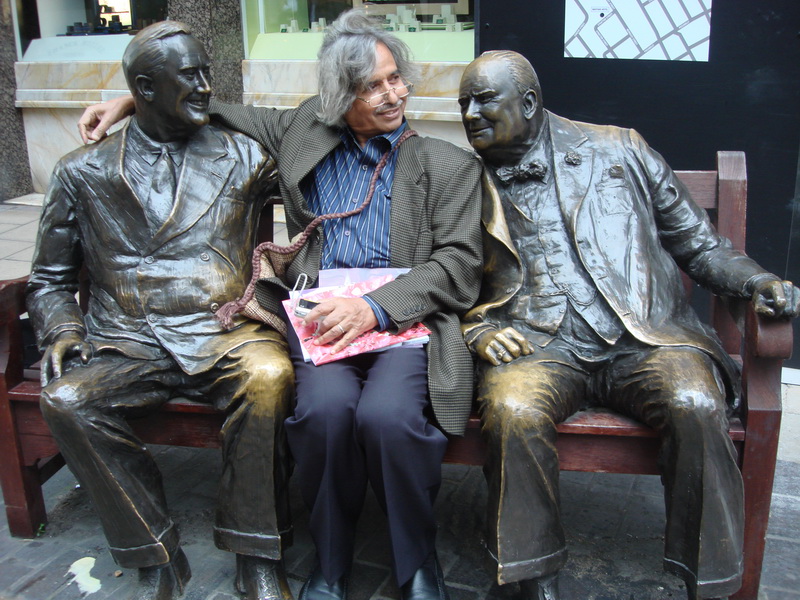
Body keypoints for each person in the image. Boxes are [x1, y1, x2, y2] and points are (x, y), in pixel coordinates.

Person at [78, 10, 483, 600]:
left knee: (388, 419)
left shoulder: (445, 164)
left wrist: (373, 308)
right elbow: (223, 111)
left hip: (403, 322)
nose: (393, 95)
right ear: (338, 95)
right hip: (320, 321)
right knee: (323, 415)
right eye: (371, 86)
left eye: (395, 78)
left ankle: (417, 563)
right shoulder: (302, 132)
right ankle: (332, 562)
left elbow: (459, 266)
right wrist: (129, 102)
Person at [457, 50, 800, 600]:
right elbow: (437, 274)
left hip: (645, 339)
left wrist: (756, 282)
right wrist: (476, 331)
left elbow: (699, 245)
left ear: (529, 102)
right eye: (463, 104)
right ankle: (529, 579)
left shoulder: (621, 148)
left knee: (695, 401)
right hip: (537, 343)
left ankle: (709, 580)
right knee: (513, 408)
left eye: (483, 101)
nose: (470, 114)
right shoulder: (457, 178)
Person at [28, 22, 296, 600]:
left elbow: (314, 131)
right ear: (146, 88)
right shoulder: (82, 170)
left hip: (225, 330)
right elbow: (49, 278)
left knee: (270, 376)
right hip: (128, 339)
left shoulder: (246, 156)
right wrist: (63, 328)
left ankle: (256, 553)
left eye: (207, 73)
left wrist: (129, 99)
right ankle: (156, 556)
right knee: (66, 399)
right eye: (190, 77)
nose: (206, 87)